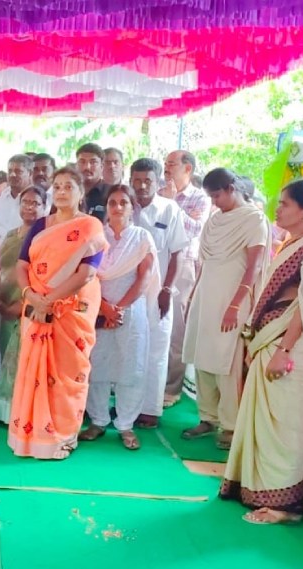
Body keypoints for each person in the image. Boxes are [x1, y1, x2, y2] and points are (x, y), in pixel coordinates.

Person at [221, 178, 303, 524]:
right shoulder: (294, 242)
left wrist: (283, 350)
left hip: (291, 344)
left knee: (285, 423)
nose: (278, 209)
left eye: (286, 204)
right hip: (272, 340)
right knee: (267, 422)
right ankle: (262, 490)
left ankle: (285, 506)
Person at [8, 168, 107, 460]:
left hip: (70, 311)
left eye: (68, 187)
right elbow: (22, 265)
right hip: (35, 307)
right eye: (58, 186)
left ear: (80, 193)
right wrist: (31, 296)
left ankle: (62, 435)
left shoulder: (90, 227)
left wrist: (50, 300)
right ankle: (29, 436)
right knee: (33, 370)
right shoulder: (41, 225)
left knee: (67, 372)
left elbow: (87, 273)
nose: (62, 192)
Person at [181, 169, 270, 450]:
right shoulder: (214, 219)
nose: (214, 202)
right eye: (211, 197)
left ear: (232, 188)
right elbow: (204, 264)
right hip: (206, 297)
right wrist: (193, 296)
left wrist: (235, 304)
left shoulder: (254, 219)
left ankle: (231, 425)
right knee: (202, 356)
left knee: (227, 362)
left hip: (233, 300)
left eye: (217, 195)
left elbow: (254, 266)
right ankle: (207, 417)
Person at [80, 185, 158, 450]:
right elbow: (87, 275)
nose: (117, 207)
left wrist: (119, 308)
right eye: (112, 202)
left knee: (131, 366)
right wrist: (104, 307)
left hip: (130, 311)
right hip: (98, 308)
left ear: (132, 207)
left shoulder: (142, 237)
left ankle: (125, 424)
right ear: (106, 207)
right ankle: (98, 421)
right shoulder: (96, 236)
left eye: (123, 202)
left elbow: (144, 277)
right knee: (97, 362)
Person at [127, 158, 187, 430]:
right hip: (127, 292)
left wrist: (167, 289)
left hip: (158, 294)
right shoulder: (124, 207)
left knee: (156, 350)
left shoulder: (169, 209)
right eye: (137, 180)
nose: (142, 186)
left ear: (157, 181)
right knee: (130, 350)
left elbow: (177, 253)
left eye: (147, 181)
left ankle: (150, 409)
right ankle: (128, 406)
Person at [161, 149, 212, 405]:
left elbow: (193, 230)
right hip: (157, 262)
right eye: (165, 164)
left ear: (188, 169)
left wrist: (171, 204)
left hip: (183, 265)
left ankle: (171, 388)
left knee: (175, 328)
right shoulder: (158, 191)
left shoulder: (199, 198)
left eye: (172, 164)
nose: (166, 169)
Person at [0, 186, 44, 423]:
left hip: (29, 307)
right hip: (4, 303)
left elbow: (43, 275)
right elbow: (0, 268)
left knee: (26, 361)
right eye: (25, 202)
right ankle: (7, 412)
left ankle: (26, 413)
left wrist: (23, 304)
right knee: (6, 357)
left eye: (35, 203)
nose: (29, 207)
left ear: (44, 207)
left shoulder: (44, 236)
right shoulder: (11, 234)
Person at [0, 154, 34, 240]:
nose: (13, 175)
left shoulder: (37, 200)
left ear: (30, 173)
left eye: (18, 171)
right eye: (10, 171)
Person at [76, 143, 110, 220]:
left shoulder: (111, 193)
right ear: (76, 165)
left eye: (93, 162)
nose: (87, 167)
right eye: (82, 162)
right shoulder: (69, 192)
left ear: (102, 166)